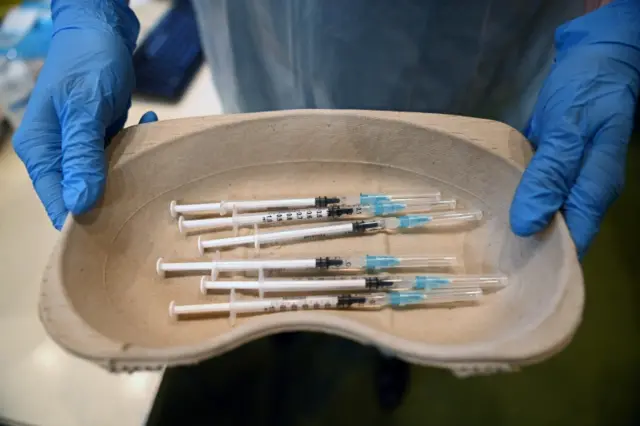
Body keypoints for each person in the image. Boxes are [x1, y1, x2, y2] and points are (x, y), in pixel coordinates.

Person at [10, 0, 640, 256]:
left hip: (459, 46)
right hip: (260, 40)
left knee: (437, 220)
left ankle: (394, 345)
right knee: (271, 178)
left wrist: (619, 15)